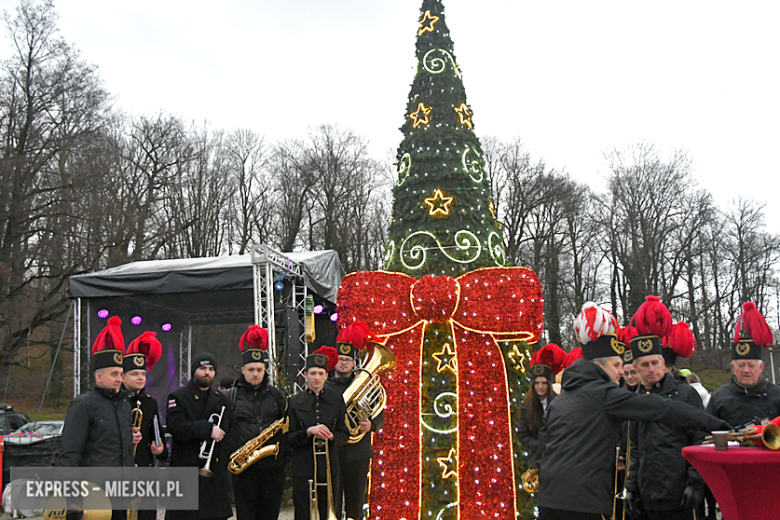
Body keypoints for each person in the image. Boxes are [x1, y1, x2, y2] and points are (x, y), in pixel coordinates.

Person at [536, 302, 731, 520]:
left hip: (548, 500)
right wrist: (717, 425)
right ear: (600, 366)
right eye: (617, 365)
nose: (621, 372)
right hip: (585, 503)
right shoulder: (603, 394)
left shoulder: (561, 399)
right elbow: (660, 408)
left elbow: (543, 446)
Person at [623, 296, 706, 520]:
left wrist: (695, 483)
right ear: (637, 369)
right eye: (645, 365)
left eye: (655, 363)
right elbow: (636, 449)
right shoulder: (636, 402)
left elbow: (699, 442)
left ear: (663, 363)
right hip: (649, 495)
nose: (651, 369)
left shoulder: (687, 395)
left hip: (680, 494)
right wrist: (631, 488)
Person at [57, 316, 141, 520]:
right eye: (114, 374)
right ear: (98, 377)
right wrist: (72, 500)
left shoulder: (123, 403)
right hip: (92, 495)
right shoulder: (83, 405)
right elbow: (70, 453)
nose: (120, 379)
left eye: (121, 374)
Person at [227, 326, 288, 520]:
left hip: (272, 469)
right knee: (246, 515)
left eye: (259, 370)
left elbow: (286, 427)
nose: (255, 374)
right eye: (251, 370)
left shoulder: (276, 396)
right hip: (245, 470)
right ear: (243, 370)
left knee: (270, 514)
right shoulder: (230, 397)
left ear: (264, 371)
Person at [165, 352, 233, 520]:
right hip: (185, 468)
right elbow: (177, 427)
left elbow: (228, 432)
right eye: (202, 368)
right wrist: (207, 429)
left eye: (210, 369)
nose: (207, 373)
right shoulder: (178, 397)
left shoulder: (222, 400)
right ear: (194, 371)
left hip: (214, 473)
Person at [328, 323, 385, 520]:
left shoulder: (364, 384)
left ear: (354, 363)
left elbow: (379, 413)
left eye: (347, 360)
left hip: (358, 451)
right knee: (332, 502)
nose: (343, 363)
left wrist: (372, 425)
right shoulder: (325, 388)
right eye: (340, 359)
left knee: (356, 504)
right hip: (333, 451)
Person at [288, 346, 349, 520]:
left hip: (329, 466)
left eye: (320, 373)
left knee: (329, 509)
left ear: (326, 376)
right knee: (303, 512)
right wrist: (307, 432)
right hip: (303, 466)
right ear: (305, 375)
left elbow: (345, 433)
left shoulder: (336, 399)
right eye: (313, 373)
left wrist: (332, 437)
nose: (316, 377)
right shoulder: (294, 401)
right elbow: (289, 438)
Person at [708, 302, 780, 428]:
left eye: (751, 365)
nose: (746, 370)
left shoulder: (776, 395)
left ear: (761, 367)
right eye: (741, 366)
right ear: (733, 368)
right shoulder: (719, 397)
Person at [123, 331, 167, 520]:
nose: (140, 378)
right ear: (122, 377)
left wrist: (161, 451)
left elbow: (158, 435)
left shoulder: (150, 402)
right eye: (134, 374)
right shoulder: (117, 402)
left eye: (142, 374)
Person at [519, 343, 565, 465]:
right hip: (537, 457)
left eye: (544, 383)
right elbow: (523, 434)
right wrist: (539, 446)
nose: (540, 387)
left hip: (558, 455)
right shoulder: (526, 406)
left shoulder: (558, 402)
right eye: (537, 383)